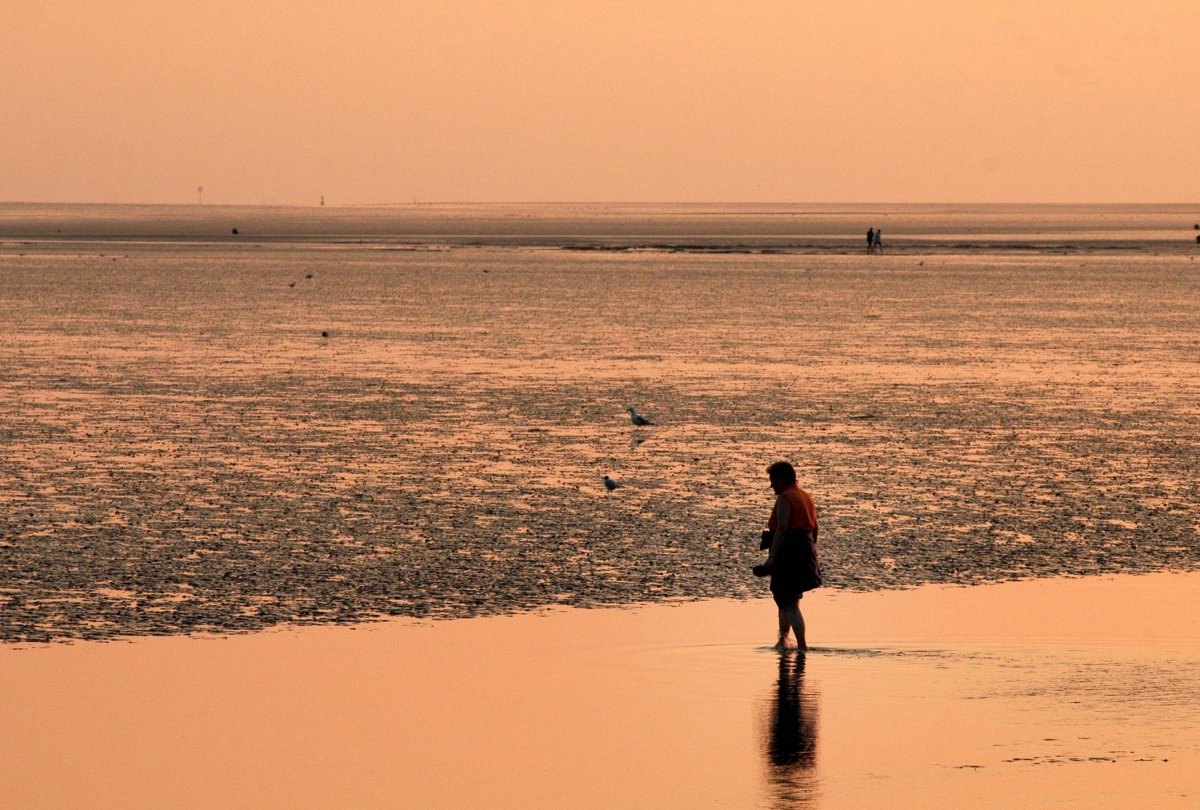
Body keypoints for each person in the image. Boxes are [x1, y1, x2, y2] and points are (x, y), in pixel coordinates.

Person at [754, 461, 821, 651]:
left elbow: (782, 529)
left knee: (790, 603)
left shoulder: (785, 498)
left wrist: (772, 557)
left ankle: (801, 647)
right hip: (804, 550)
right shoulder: (806, 497)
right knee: (785, 600)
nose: (771, 485)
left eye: (773, 481)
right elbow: (815, 529)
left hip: (788, 553)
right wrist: (811, 552)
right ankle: (783, 642)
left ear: (782, 479)